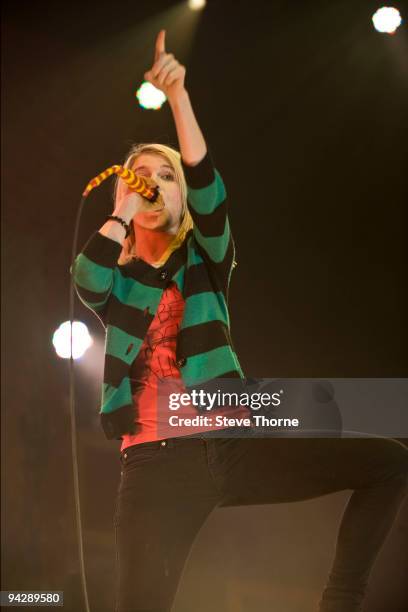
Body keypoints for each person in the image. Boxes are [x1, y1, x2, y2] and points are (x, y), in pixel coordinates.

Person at [71, 30, 408, 612]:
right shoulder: (118, 277)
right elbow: (88, 280)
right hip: (154, 465)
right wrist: (121, 213)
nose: (153, 182)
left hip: (233, 434)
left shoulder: (207, 256)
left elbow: (206, 186)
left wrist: (178, 96)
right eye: (140, 174)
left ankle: (341, 601)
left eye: (164, 175)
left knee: (389, 460)